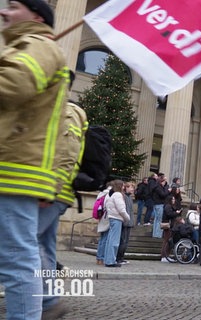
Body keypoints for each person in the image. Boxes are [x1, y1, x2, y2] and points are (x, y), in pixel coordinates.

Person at [0, 1, 68, 318]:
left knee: (18, 255)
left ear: (37, 15)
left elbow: (14, 84)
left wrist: (54, 183)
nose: (4, 12)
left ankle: (41, 307)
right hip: (16, 166)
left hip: (14, 169)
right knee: (21, 252)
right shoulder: (29, 46)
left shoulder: (39, 45)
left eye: (13, 6)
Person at [37, 70, 87, 318]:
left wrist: (52, 188)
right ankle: (48, 299)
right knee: (44, 246)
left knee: (26, 242)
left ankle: (47, 300)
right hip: (52, 191)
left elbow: (68, 153)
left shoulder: (67, 111)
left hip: (54, 192)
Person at [104, 180, 130, 267]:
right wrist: (127, 217)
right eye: (123, 186)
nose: (124, 187)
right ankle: (111, 261)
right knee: (114, 241)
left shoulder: (111, 195)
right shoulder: (118, 195)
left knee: (110, 240)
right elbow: (121, 209)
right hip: (117, 219)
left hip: (112, 217)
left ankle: (108, 259)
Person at [116, 182, 135, 264]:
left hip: (129, 222)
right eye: (131, 187)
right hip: (125, 222)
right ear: (126, 188)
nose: (133, 189)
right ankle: (118, 258)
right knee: (122, 241)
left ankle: (122, 257)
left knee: (126, 242)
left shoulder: (129, 197)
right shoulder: (123, 197)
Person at [160, 195, 182, 262]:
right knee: (166, 241)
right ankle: (164, 256)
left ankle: (167, 255)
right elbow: (169, 214)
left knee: (169, 241)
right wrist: (176, 213)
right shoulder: (167, 206)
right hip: (168, 225)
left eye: (174, 199)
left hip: (171, 225)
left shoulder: (170, 206)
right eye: (172, 199)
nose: (174, 201)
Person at [151, 174, 169, 238]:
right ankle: (158, 235)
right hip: (159, 204)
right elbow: (163, 195)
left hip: (156, 204)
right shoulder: (158, 187)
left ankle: (155, 234)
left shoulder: (156, 187)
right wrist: (167, 190)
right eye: (165, 181)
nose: (165, 182)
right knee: (159, 220)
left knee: (156, 220)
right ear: (162, 181)